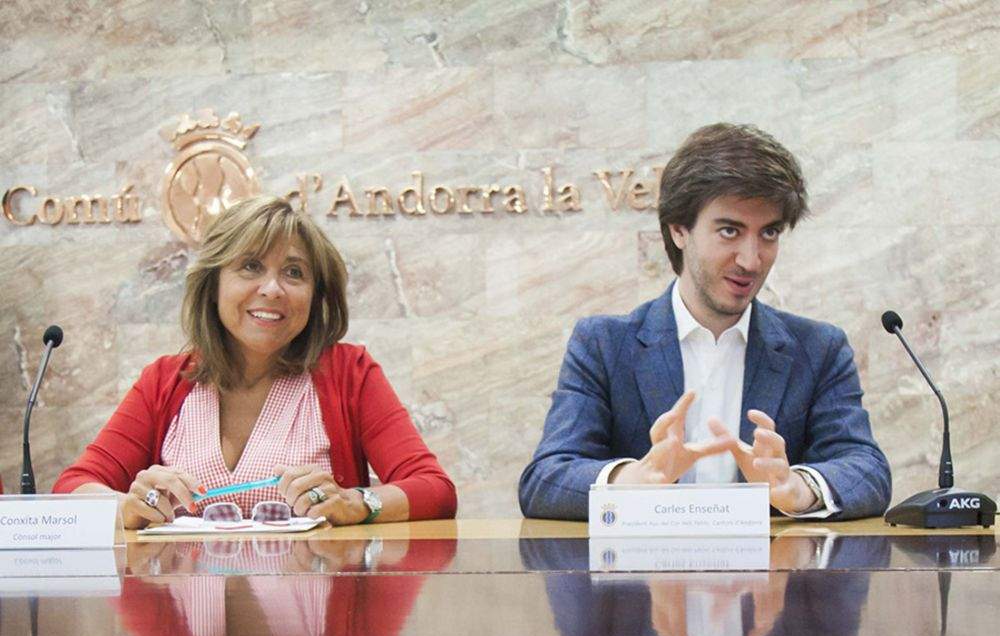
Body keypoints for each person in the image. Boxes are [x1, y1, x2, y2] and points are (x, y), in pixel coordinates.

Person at [519, 123, 891, 521]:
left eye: (769, 233)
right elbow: (546, 479)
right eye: (730, 231)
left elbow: (867, 470)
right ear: (679, 230)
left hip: (772, 563)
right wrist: (635, 480)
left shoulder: (818, 348)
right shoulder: (604, 344)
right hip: (642, 563)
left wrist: (797, 488)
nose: (751, 260)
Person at [54, 195, 456, 528]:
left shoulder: (350, 373)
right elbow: (73, 488)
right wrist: (124, 507)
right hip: (180, 602)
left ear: (315, 296)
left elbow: (435, 490)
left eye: (294, 272)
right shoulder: (164, 380)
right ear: (213, 284)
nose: (272, 289)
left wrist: (357, 503)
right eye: (250, 266)